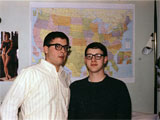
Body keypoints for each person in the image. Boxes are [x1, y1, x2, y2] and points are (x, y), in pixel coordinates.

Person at [0, 31, 71, 120]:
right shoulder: (30, 73)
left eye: (65, 47)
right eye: (58, 47)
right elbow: (8, 107)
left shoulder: (65, 77)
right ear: (46, 49)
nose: (63, 51)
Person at [68, 42, 132, 119]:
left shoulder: (118, 87)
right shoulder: (75, 87)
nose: (93, 60)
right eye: (89, 56)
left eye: (98, 56)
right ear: (85, 60)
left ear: (105, 59)